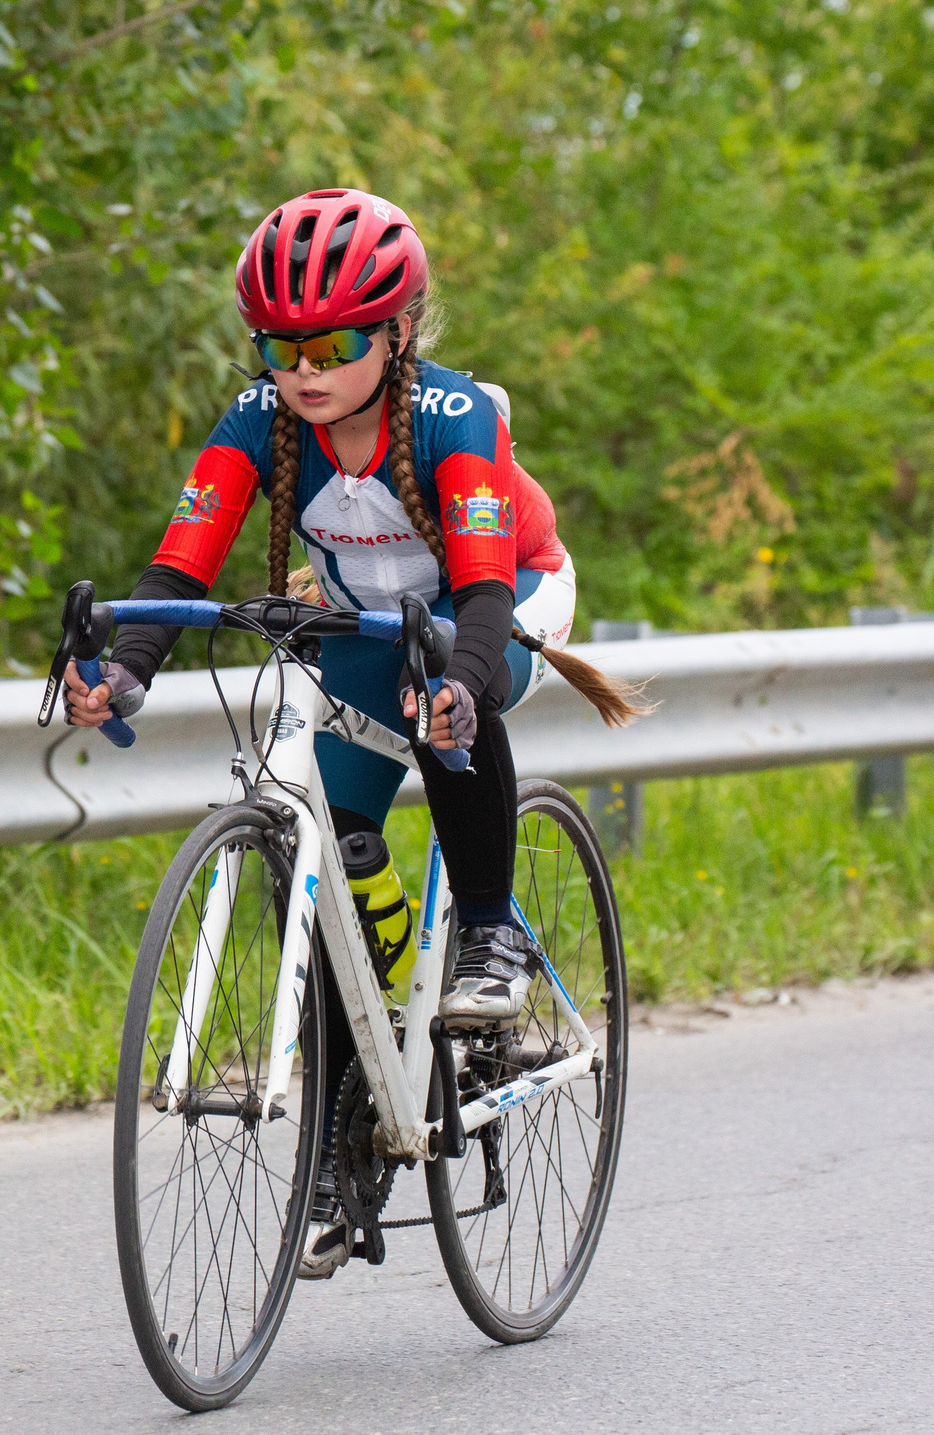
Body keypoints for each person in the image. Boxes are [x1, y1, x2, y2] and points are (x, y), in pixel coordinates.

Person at [59, 186, 624, 1276]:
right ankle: (347, 1114)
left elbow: (483, 593)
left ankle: (491, 929)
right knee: (328, 849)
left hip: (504, 599)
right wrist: (122, 672)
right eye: (279, 344)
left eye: (332, 340)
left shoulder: (457, 418)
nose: (303, 367)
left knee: (444, 696)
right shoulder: (262, 420)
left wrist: (459, 685)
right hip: (364, 615)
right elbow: (181, 561)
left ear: (396, 331)